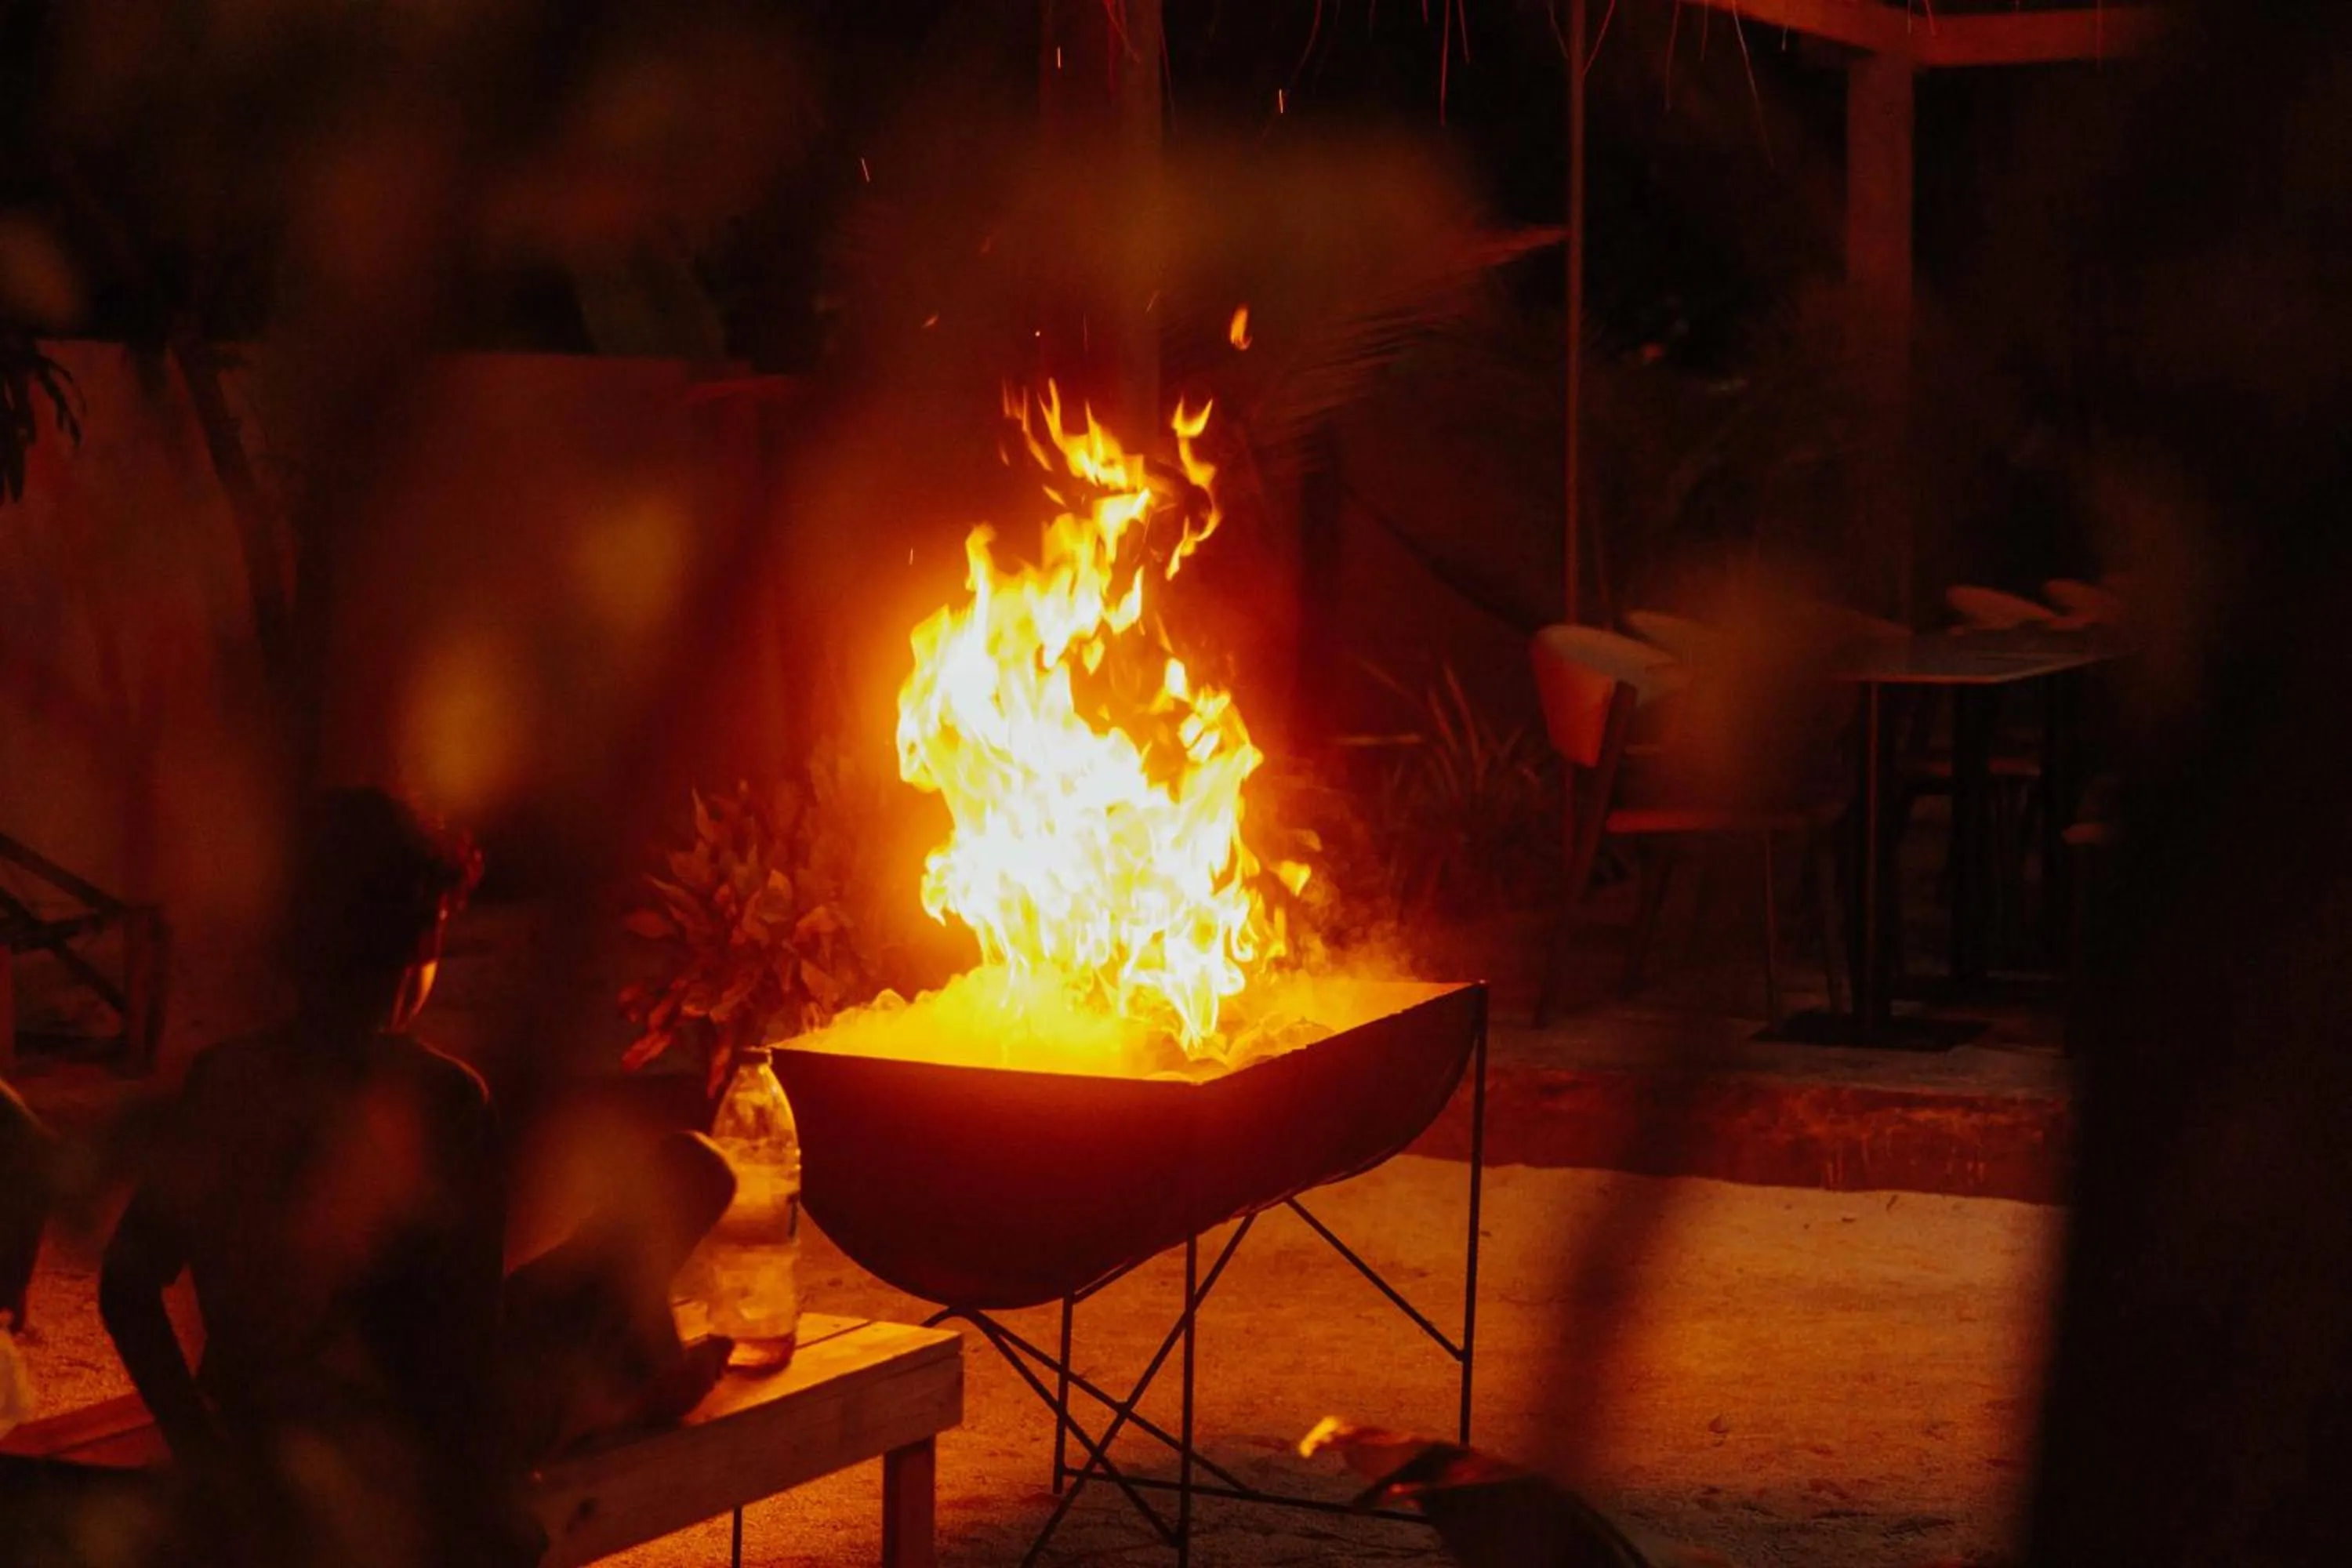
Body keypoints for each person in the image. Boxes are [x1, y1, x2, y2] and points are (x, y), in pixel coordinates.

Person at [97, 788, 734, 1565]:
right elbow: (462, 1358)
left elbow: (125, 1284)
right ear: (421, 943)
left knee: (650, 1207)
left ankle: (632, 1369)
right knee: (689, 1179)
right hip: (407, 1439)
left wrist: (198, 1439)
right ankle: (625, 1389)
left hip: (257, 1416)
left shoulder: (222, 1076)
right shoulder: (442, 1098)